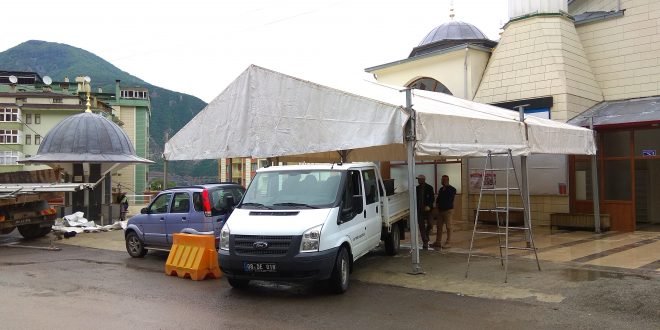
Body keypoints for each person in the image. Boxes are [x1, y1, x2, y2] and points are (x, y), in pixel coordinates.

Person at [432, 175, 457, 248]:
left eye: (443, 180)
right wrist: (436, 207)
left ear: (447, 180)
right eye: (441, 180)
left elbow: (449, 198)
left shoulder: (452, 189)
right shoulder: (441, 189)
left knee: (449, 226)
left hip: (448, 211)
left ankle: (448, 242)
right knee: (439, 226)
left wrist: (446, 187)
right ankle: (438, 241)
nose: (441, 181)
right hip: (440, 211)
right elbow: (438, 199)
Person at [415, 174, 435, 250]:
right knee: (421, 226)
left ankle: (427, 234)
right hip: (419, 210)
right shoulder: (416, 188)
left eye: (419, 179)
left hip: (428, 210)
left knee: (430, 224)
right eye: (418, 179)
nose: (418, 180)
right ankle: (425, 241)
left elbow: (432, 198)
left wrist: (429, 206)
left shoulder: (429, 188)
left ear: (423, 179)